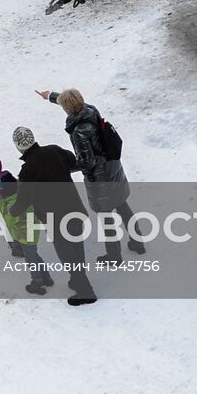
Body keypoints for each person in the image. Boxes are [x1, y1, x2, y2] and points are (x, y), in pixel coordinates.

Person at [37, 87, 143, 262]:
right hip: (113, 168)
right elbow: (70, 101)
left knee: (107, 217)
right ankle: (138, 242)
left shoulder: (80, 132)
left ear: (68, 109)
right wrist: (50, 96)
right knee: (123, 205)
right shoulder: (90, 110)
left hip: (100, 180)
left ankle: (114, 256)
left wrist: (64, 168)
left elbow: (87, 162)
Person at [13, 126, 97, 305]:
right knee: (76, 247)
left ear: (18, 147)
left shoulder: (28, 171)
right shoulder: (54, 150)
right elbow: (73, 162)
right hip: (74, 208)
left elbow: (23, 201)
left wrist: (12, 211)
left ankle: (85, 291)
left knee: (67, 254)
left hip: (56, 219)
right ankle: (77, 281)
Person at [0, 171, 52, 295]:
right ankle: (46, 278)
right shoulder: (17, 197)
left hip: (26, 235)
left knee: (31, 259)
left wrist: (1, 203)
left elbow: (10, 220)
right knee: (34, 256)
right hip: (26, 233)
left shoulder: (15, 203)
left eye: (1, 191)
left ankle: (37, 282)